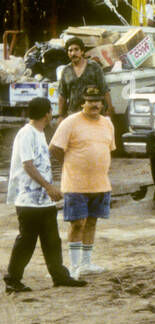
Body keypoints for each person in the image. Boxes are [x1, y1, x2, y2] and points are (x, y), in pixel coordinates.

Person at [4, 97, 84, 293]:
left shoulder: (40, 133)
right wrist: (49, 186)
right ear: (47, 114)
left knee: (51, 239)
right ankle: (12, 279)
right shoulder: (26, 134)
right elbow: (27, 164)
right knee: (27, 241)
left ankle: (59, 275)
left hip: (42, 200)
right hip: (28, 199)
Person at [49, 86, 116, 277]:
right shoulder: (71, 122)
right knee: (77, 223)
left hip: (100, 184)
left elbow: (108, 149)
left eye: (97, 100)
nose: (94, 104)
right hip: (75, 184)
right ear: (82, 103)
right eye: (89, 100)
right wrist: (68, 164)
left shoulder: (108, 124)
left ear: (102, 103)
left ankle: (87, 264)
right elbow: (54, 147)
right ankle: (74, 267)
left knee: (92, 222)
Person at [57, 38, 112, 117]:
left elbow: (104, 90)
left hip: (93, 112)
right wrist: (60, 115)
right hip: (74, 114)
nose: (73, 53)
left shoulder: (94, 66)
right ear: (68, 53)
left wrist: (109, 110)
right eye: (70, 50)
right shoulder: (66, 70)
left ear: (82, 51)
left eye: (76, 49)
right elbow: (62, 95)